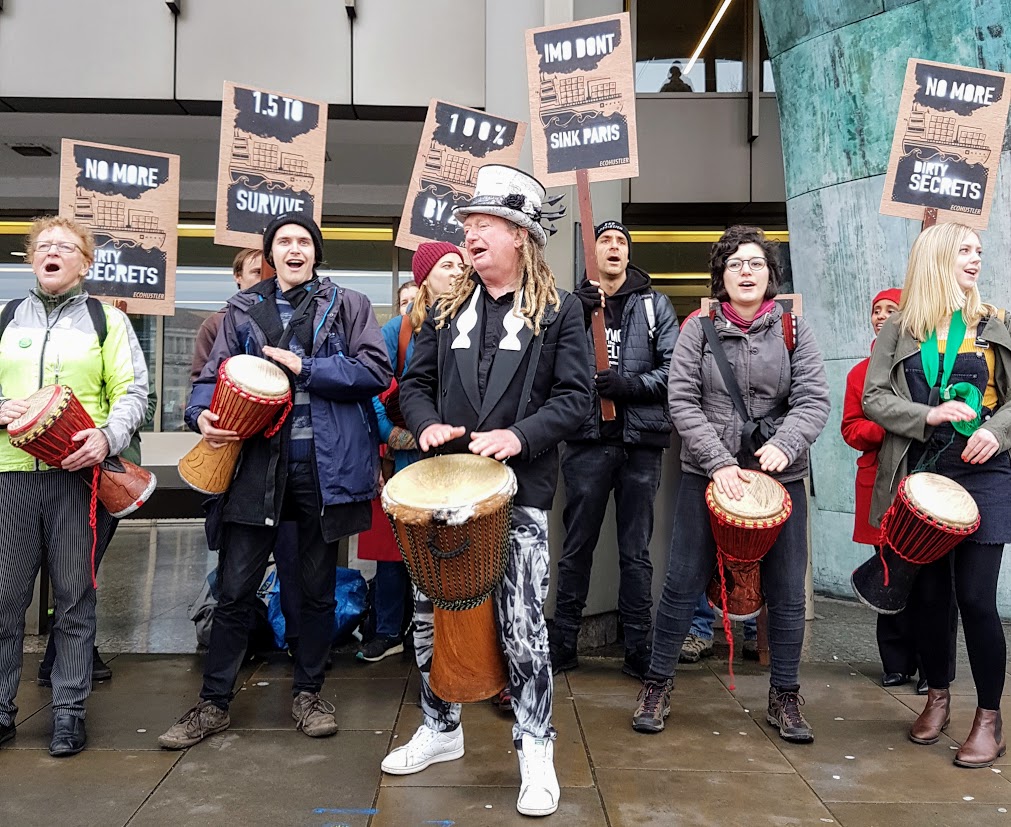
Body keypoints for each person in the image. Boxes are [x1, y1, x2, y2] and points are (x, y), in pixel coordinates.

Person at [382, 164, 591, 818]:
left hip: (518, 491)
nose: (469, 236)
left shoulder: (560, 310)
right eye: (467, 226)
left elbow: (576, 400)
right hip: (443, 487)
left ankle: (535, 748)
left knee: (524, 626)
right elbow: (411, 387)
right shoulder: (443, 306)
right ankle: (440, 727)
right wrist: (424, 424)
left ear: (520, 237)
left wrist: (519, 435)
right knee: (429, 618)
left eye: (483, 226)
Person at [158, 212, 392, 749]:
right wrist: (200, 416)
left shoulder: (349, 305)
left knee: (313, 591)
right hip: (254, 466)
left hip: (322, 469)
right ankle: (213, 703)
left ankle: (308, 693)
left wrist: (306, 367)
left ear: (316, 252)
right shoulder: (241, 308)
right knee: (235, 588)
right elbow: (209, 378)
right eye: (284, 241)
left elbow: (376, 372)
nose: (294, 248)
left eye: (303, 241)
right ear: (270, 254)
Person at [630, 225, 829, 743]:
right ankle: (657, 683)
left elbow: (813, 399)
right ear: (720, 274)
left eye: (756, 263)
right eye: (736, 263)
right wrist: (718, 461)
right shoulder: (698, 328)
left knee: (787, 590)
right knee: (681, 580)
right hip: (708, 473)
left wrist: (785, 444)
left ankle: (785, 693)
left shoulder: (793, 331)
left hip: (781, 474)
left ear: (770, 275)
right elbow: (682, 400)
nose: (746, 271)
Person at [863, 222, 1011, 768]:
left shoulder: (992, 321)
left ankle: (989, 718)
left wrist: (1000, 432)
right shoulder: (901, 327)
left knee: (975, 597)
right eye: (964, 251)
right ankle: (939, 695)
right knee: (927, 596)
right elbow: (875, 397)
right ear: (936, 258)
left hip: (987, 471)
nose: (976, 259)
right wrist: (925, 414)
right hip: (921, 473)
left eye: (978, 251)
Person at [0, 216, 149, 756]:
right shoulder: (7, 317)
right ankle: (0, 709)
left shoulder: (105, 321)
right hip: (12, 476)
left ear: (85, 262)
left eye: (65, 247)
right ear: (32, 259)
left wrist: (107, 438)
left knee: (73, 599)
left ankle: (68, 712)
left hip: (76, 479)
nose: (53, 253)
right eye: (43, 247)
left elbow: (135, 392)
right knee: (5, 599)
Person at [550, 220, 678, 680]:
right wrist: (575, 316)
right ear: (594, 253)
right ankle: (562, 642)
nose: (614, 248)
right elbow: (550, 364)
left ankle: (638, 648)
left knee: (635, 550)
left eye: (621, 242)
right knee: (576, 546)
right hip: (587, 440)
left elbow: (674, 369)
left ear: (629, 253)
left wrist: (630, 385)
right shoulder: (572, 305)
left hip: (641, 443)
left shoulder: (654, 305)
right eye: (605, 241)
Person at [842, 288, 953, 693]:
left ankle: (932, 668)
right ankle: (895, 662)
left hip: (925, 484)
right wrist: (891, 423)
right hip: (881, 486)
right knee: (888, 573)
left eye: (892, 309)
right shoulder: (860, 373)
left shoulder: (931, 364)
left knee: (929, 582)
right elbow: (852, 429)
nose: (882, 316)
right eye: (876, 310)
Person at [358, 242, 464, 663]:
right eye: (446, 265)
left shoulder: (474, 323)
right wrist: (395, 436)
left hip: (459, 461)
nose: (457, 271)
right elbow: (370, 391)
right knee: (400, 548)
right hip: (410, 460)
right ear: (424, 277)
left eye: (461, 264)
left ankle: (451, 635)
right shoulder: (397, 331)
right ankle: (391, 629)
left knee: (454, 549)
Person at [190, 248, 263, 384]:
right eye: (257, 272)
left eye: (273, 273)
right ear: (238, 276)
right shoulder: (215, 323)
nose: (265, 278)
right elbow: (202, 377)